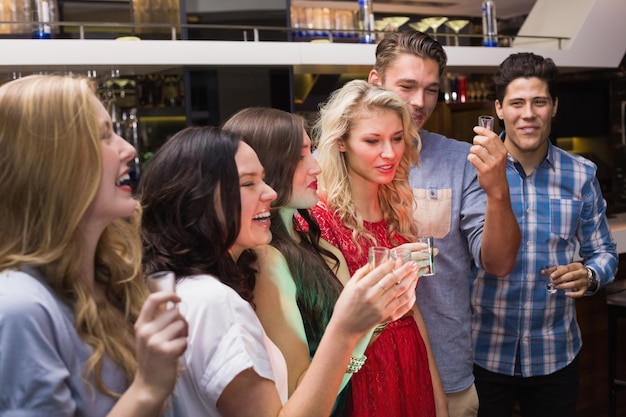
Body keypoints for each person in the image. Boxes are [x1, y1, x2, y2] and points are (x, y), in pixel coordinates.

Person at [139, 125, 419, 417]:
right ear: (198, 200)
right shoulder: (215, 300)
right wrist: (344, 330)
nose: (270, 193)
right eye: (248, 184)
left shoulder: (194, 288)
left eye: (263, 179)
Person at [0, 74, 188, 417]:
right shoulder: (21, 306)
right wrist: (146, 389)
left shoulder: (114, 278)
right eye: (104, 136)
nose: (128, 149)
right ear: (50, 163)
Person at [367, 30, 521, 417]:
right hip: (363, 372)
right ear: (375, 82)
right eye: (407, 86)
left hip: (447, 371)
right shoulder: (337, 159)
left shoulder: (458, 161)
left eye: (431, 90)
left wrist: (498, 190)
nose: (419, 102)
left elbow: (499, 263)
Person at [470, 52, 618, 417]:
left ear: (553, 106)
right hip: (483, 354)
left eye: (539, 102)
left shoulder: (581, 174)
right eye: (517, 103)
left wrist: (591, 274)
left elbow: (604, 252)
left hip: (555, 353)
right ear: (499, 109)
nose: (529, 113)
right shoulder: (474, 170)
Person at [311, 79, 448, 417]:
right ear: (341, 143)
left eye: (397, 139)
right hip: (361, 373)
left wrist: (438, 396)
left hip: (411, 361)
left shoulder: (396, 211)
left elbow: (413, 312)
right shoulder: (318, 221)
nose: (390, 153)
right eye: (373, 140)